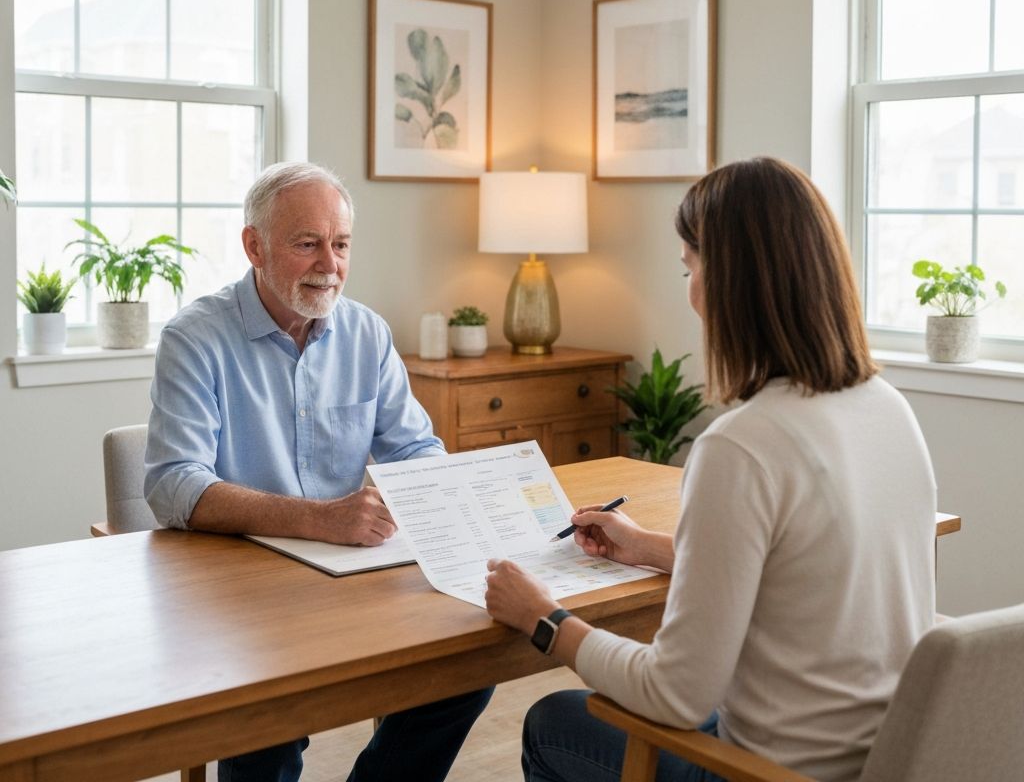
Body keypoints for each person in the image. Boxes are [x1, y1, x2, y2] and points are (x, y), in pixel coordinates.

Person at [485, 156, 937, 782]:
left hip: (767, 770)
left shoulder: (742, 445)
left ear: (727, 281)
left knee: (554, 721)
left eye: (689, 266)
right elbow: (808, 569)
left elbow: (675, 694)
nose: (689, 287)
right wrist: (649, 547)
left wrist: (546, 620)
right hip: (879, 757)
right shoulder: (887, 408)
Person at [146, 161, 492, 782]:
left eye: (340, 244)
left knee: (464, 669)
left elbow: (416, 450)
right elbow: (173, 485)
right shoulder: (195, 338)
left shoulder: (368, 334)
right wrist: (321, 519)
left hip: (350, 579)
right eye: (306, 244)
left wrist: (451, 503)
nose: (328, 264)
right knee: (268, 729)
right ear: (254, 245)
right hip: (239, 589)